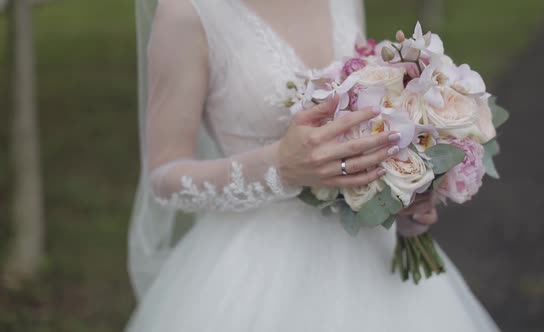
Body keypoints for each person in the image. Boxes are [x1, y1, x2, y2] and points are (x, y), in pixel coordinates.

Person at [126, 0, 499, 330]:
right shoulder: (188, 13)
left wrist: (401, 190)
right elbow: (164, 175)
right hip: (256, 269)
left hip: (372, 255)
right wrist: (278, 168)